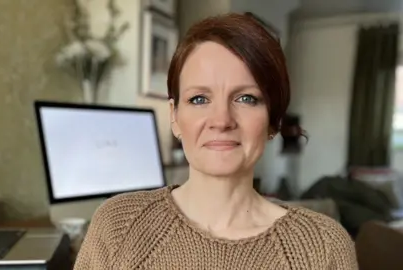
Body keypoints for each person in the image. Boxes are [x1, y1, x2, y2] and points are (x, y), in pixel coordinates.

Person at [73, 13, 358, 269]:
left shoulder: (324, 247)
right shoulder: (117, 226)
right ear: (174, 116)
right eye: (199, 99)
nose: (221, 120)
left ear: (273, 120)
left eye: (246, 98)